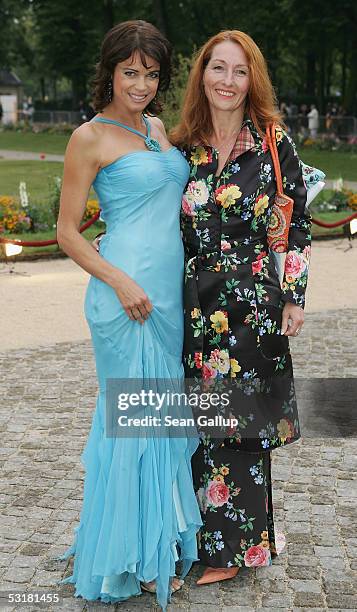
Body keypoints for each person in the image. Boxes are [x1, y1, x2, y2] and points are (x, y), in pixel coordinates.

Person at [56, 20, 201, 611]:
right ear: (110, 72)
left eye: (151, 73)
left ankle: (153, 544)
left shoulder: (158, 129)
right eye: (130, 72)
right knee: (132, 425)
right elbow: (67, 233)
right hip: (124, 298)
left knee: (160, 422)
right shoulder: (88, 137)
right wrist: (119, 282)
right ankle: (125, 561)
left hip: (168, 297)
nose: (141, 84)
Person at [170, 30, 311, 585]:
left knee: (245, 427)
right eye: (217, 68)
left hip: (252, 307)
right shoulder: (183, 148)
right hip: (193, 310)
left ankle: (232, 555)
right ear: (201, 74)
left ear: (253, 79)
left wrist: (294, 298)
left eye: (239, 71)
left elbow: (296, 227)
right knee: (202, 426)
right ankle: (209, 539)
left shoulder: (274, 143)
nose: (227, 81)